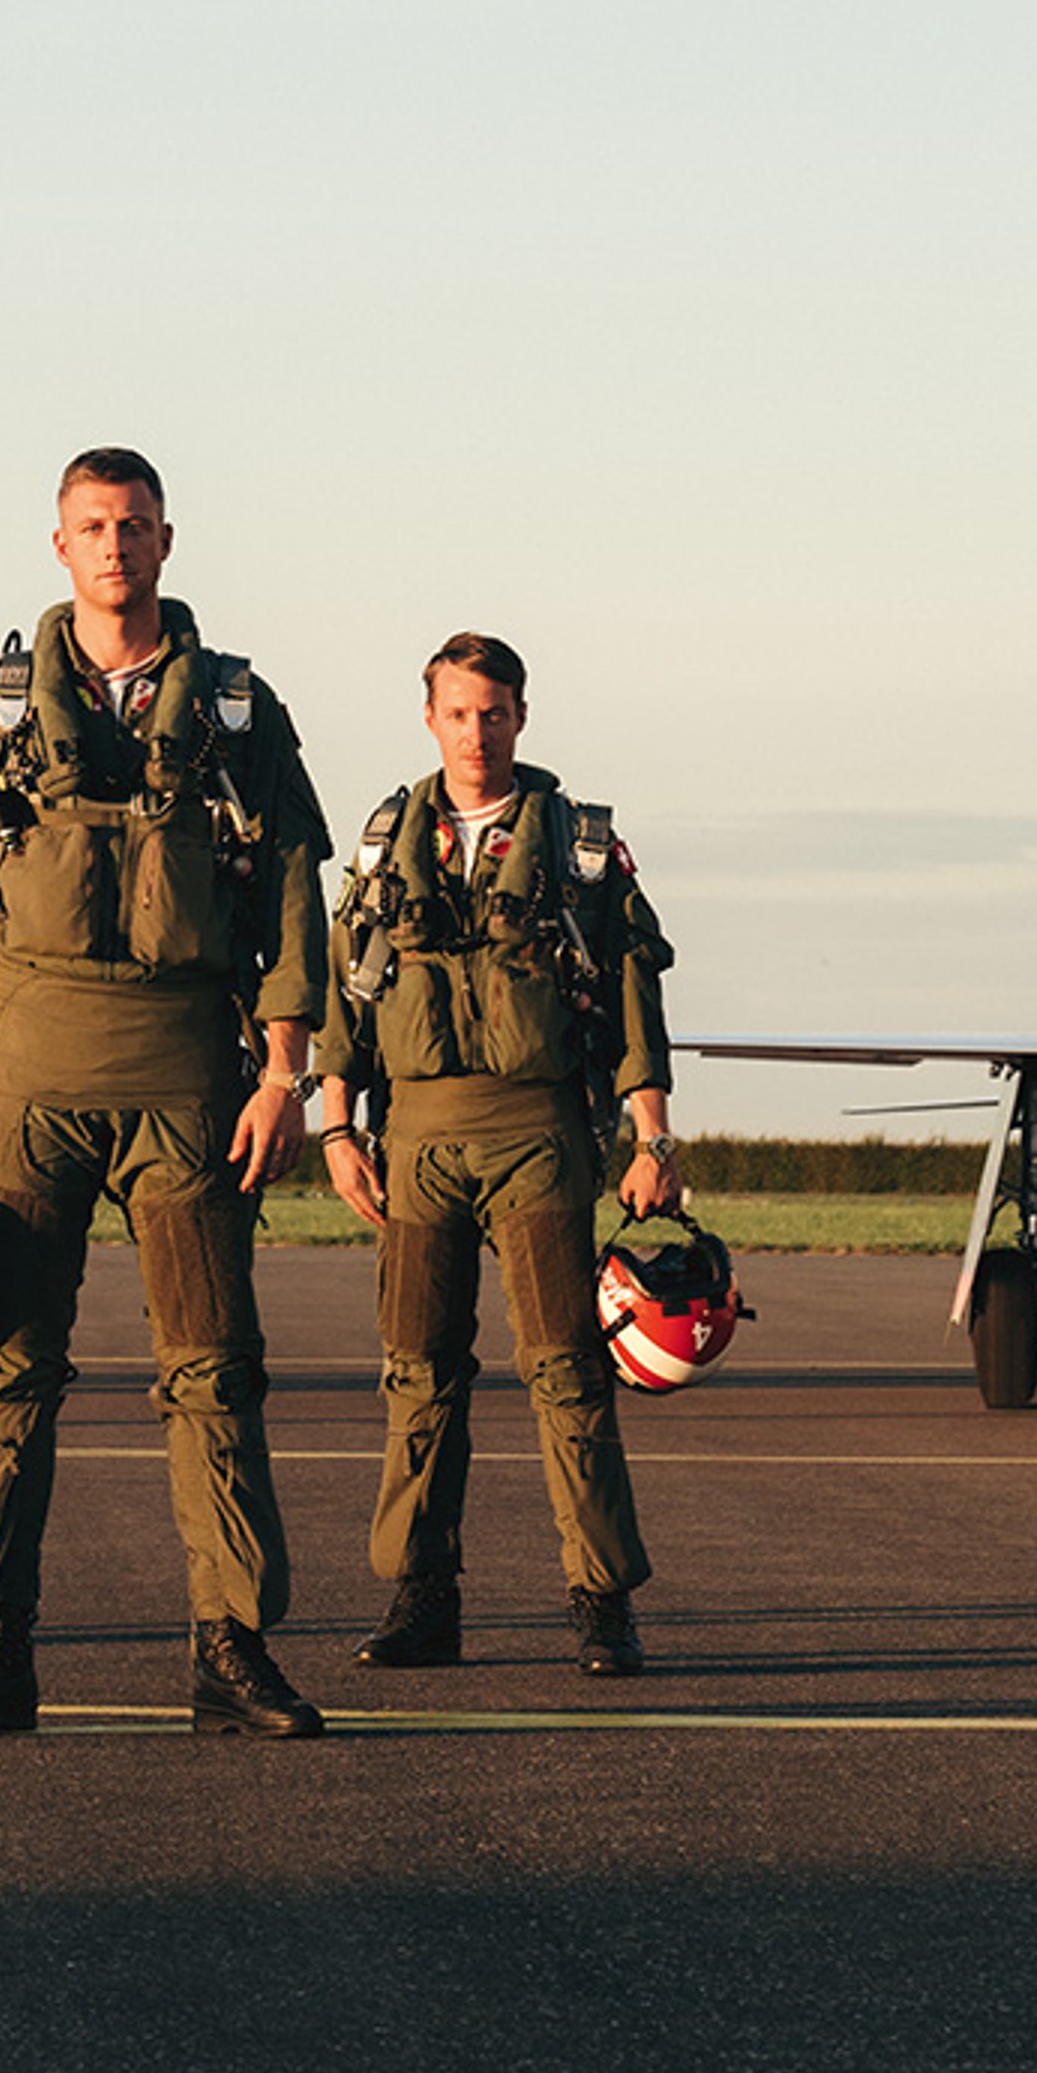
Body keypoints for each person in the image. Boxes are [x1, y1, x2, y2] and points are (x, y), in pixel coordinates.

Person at [0, 449, 334, 1738]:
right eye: (93, 527)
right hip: (28, 1082)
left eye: (134, 526)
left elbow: (295, 903)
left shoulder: (240, 714)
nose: (115, 547)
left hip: (191, 1080)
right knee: (10, 1369)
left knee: (212, 1369)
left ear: (167, 540)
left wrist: (287, 1074)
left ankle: (232, 1645)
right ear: (60, 545)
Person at [309, 629, 680, 1677]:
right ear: (430, 718)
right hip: (416, 1139)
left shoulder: (581, 851)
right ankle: (422, 1600)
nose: (478, 731)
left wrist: (653, 1137)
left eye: (496, 711)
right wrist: (337, 1127)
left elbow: (632, 998)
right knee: (419, 1374)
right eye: (459, 712)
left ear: (523, 716)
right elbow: (348, 998)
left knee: (565, 1373)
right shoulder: (386, 848)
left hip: (539, 1137)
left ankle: (601, 1603)